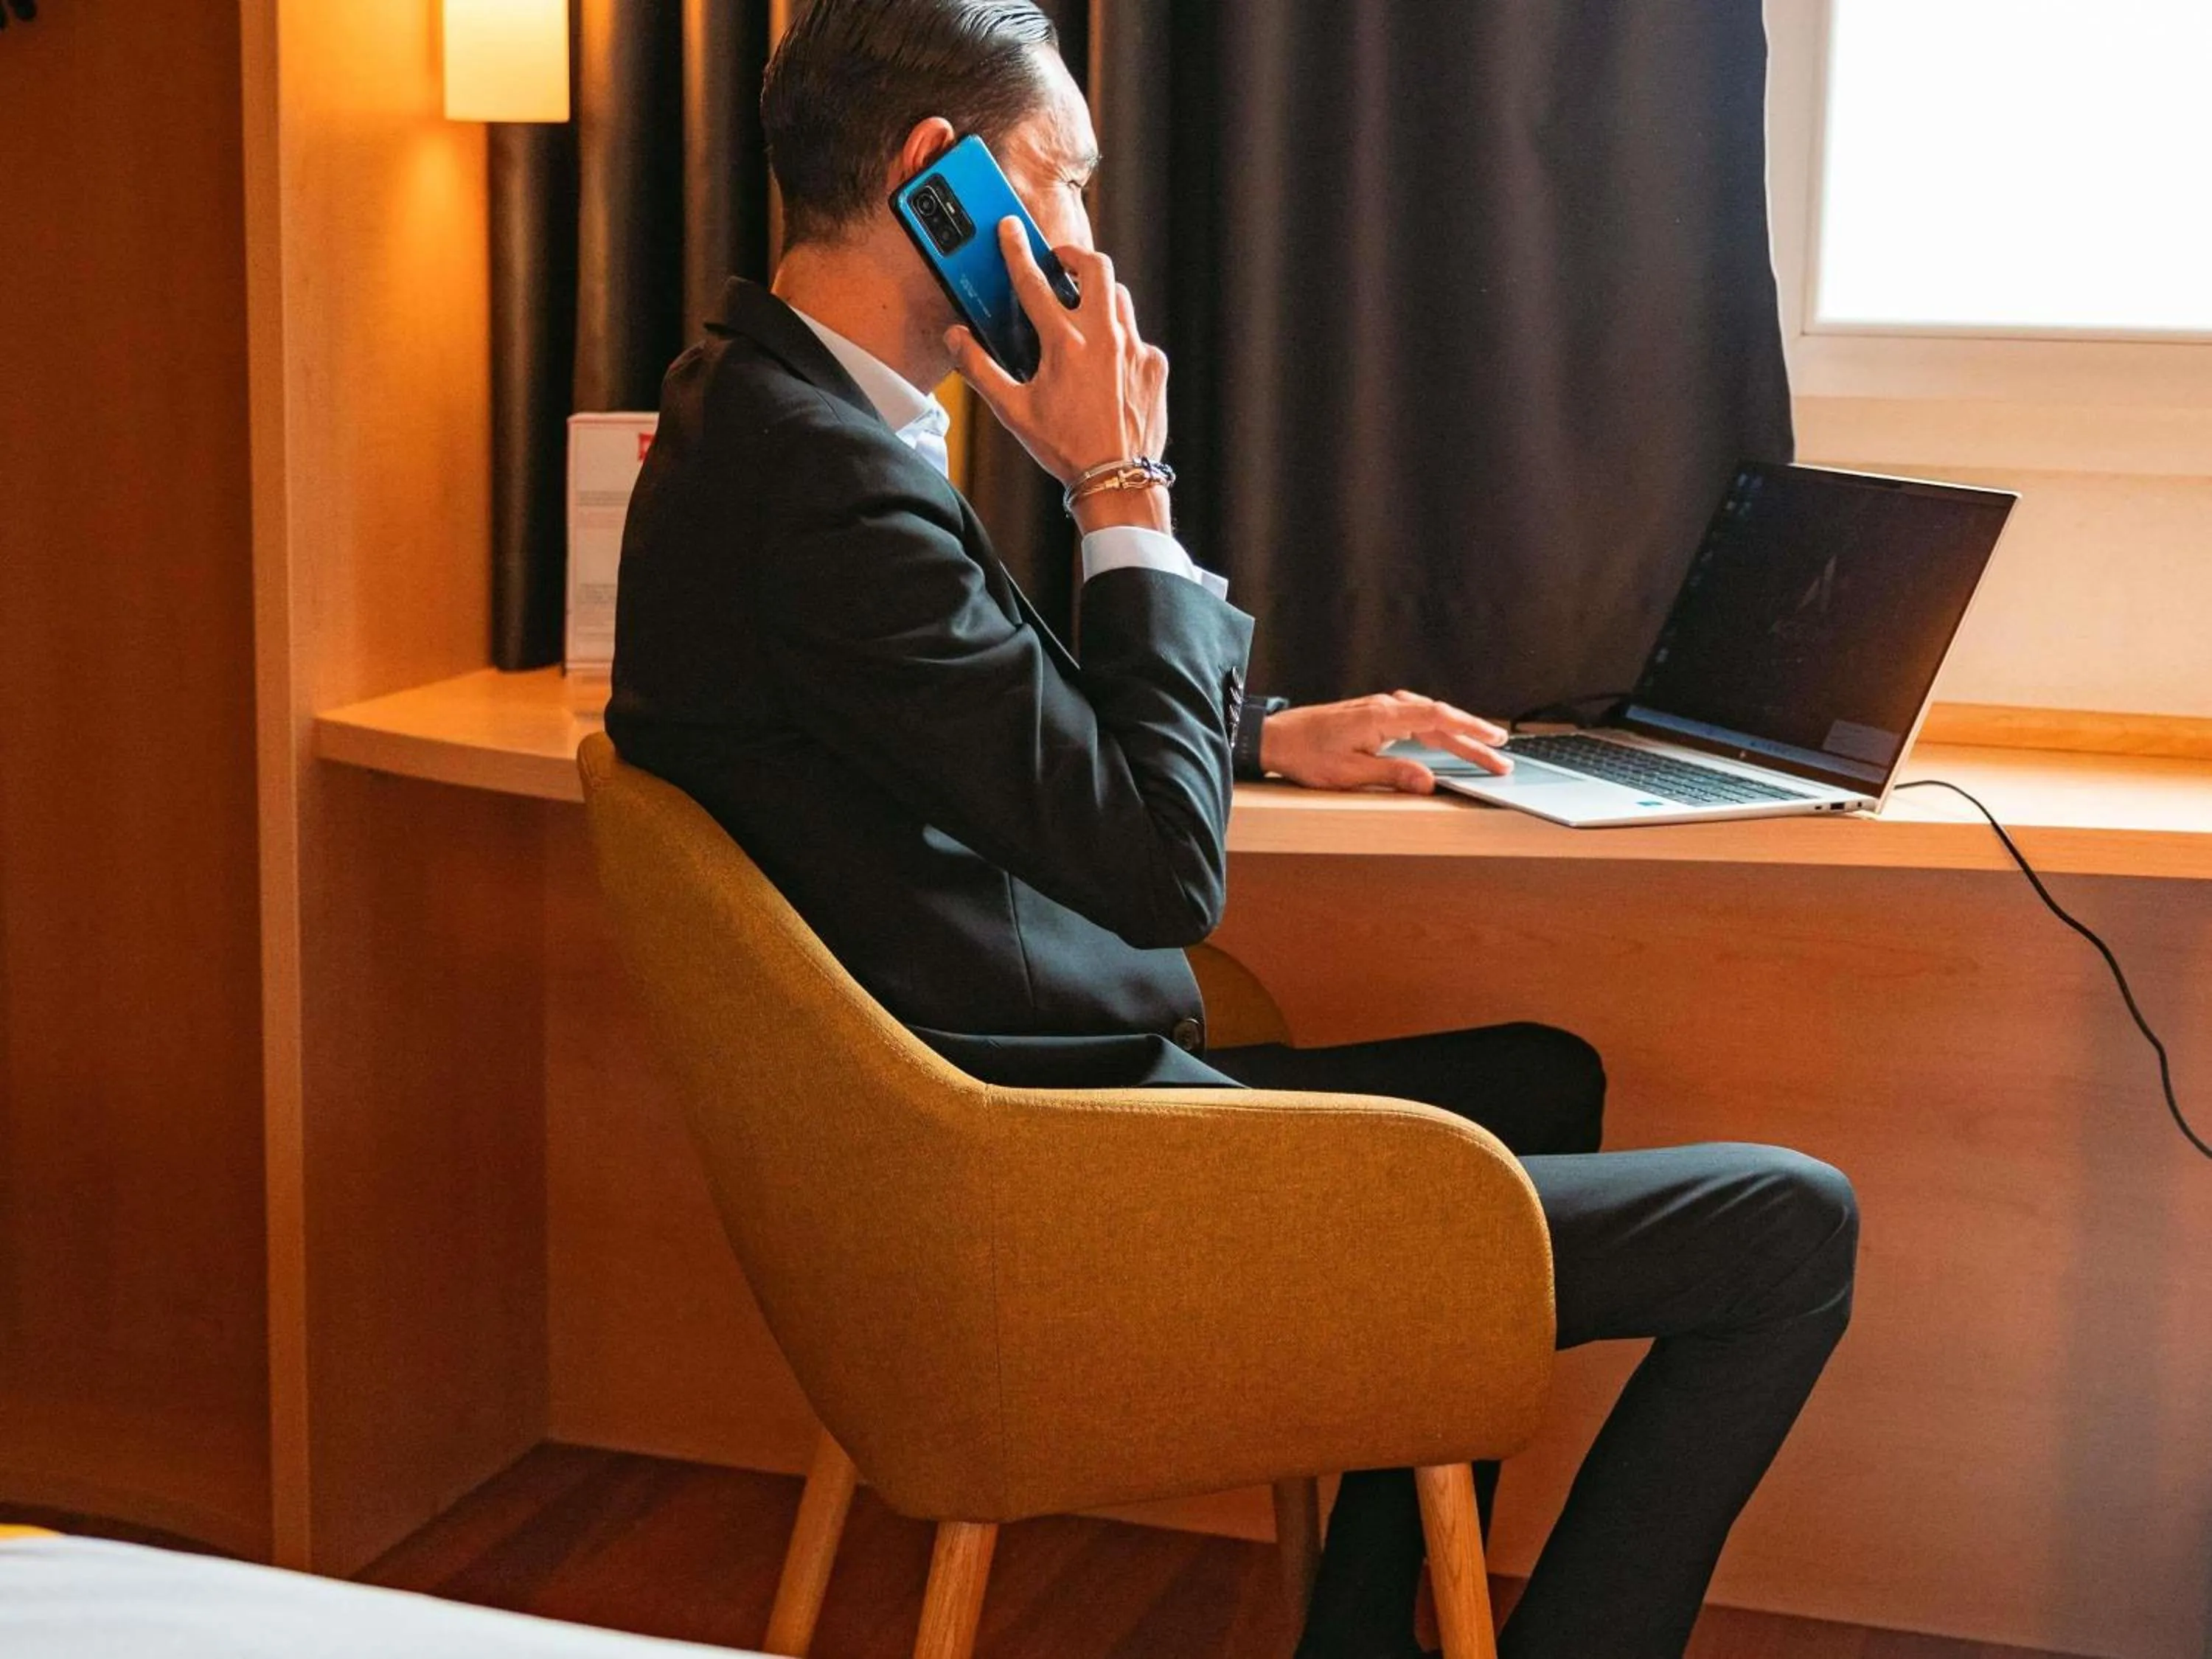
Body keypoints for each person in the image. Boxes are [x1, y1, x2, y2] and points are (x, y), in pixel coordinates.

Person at [606, 3, 1857, 1654]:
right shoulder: (829, 484)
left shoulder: (753, 409)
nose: (1083, 243)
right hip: (1052, 1174)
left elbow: (947, 733)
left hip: (1005, 1103)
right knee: (1790, 1222)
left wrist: (1260, 734)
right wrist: (1124, 489)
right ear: (941, 178)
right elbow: (1155, 880)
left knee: (1539, 1079)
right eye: (1062, 187)